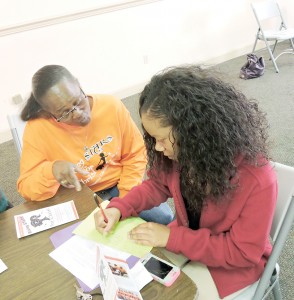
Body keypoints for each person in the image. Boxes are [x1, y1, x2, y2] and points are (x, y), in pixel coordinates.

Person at [94, 65, 278, 299]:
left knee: (170, 293)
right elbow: (156, 185)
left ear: (196, 132)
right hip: (188, 243)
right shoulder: (182, 153)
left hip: (231, 267)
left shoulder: (257, 179)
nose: (157, 148)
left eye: (161, 139)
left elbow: (242, 253)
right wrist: (119, 208)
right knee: (134, 276)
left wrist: (171, 238)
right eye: (153, 139)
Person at [17, 65, 174, 224]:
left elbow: (135, 154)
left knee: (165, 218)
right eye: (65, 113)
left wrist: (124, 200)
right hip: (79, 196)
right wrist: (52, 170)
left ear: (78, 85)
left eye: (78, 101)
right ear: (48, 113)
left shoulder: (111, 106)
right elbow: (27, 189)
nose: (78, 113)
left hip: (120, 183)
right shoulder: (37, 129)